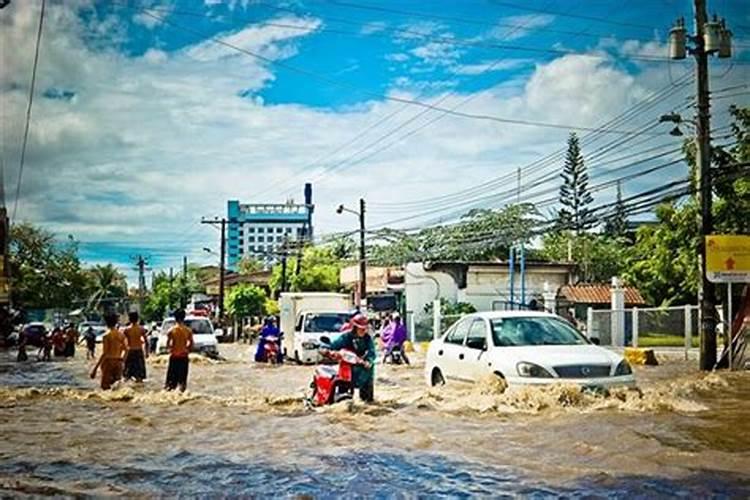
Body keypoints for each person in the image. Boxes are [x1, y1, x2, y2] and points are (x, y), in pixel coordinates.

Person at [325, 313, 376, 402]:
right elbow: (333, 345)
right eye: (361, 328)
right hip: (347, 369)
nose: (363, 331)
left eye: (365, 329)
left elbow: (372, 352)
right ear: (355, 327)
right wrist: (329, 351)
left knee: (368, 401)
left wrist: (369, 361)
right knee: (343, 400)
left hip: (364, 370)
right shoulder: (346, 337)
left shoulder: (368, 339)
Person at [90, 313, 128, 390]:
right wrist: (123, 361)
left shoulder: (106, 336)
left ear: (106, 323)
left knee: (105, 387)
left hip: (108, 362)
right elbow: (127, 349)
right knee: (117, 387)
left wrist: (95, 368)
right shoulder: (121, 335)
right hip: (118, 361)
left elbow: (105, 353)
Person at [165, 309, 193, 392]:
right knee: (182, 381)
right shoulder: (188, 331)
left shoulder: (171, 331)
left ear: (175, 318)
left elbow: (168, 345)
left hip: (174, 357)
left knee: (170, 383)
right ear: (184, 318)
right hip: (184, 357)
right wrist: (187, 350)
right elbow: (191, 344)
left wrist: (171, 349)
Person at [122, 312, 148, 382]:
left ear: (129, 319)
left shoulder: (127, 330)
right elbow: (146, 341)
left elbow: (123, 343)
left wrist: (123, 354)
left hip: (130, 351)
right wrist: (147, 352)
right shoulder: (141, 329)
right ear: (137, 319)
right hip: (139, 351)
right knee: (139, 376)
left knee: (127, 375)